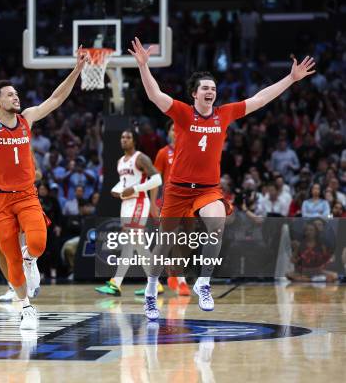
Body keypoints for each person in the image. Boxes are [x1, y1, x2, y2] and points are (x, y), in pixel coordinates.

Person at [129, 36, 315, 319]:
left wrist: (290, 78)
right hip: (178, 190)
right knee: (163, 245)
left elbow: (260, 98)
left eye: (213, 88)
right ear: (194, 93)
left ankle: (203, 282)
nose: (210, 92)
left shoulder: (224, 114)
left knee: (216, 222)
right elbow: (155, 95)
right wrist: (144, 66)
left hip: (207, 189)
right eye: (205, 88)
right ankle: (151, 290)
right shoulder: (181, 112)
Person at [0, 40, 87, 329]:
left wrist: (77, 69)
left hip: (27, 195)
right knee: (10, 257)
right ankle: (25, 306)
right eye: (10, 95)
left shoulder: (27, 118)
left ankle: (32, 261)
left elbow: (55, 99)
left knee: (38, 243)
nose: (16, 97)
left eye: (16, 93)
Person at [95, 129, 162, 297]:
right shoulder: (120, 161)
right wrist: (116, 190)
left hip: (139, 201)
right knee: (137, 245)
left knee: (130, 242)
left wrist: (136, 188)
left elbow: (157, 179)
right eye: (122, 137)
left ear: (135, 140)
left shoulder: (141, 158)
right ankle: (155, 284)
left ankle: (116, 283)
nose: (124, 140)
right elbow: (124, 182)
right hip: (126, 204)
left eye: (128, 137)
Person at [153, 121, 190, 296]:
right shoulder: (162, 153)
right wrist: (154, 202)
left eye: (178, 129)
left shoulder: (190, 151)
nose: (176, 132)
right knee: (169, 240)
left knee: (184, 241)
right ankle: (178, 279)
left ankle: (174, 273)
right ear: (168, 132)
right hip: (170, 201)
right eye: (173, 129)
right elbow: (155, 180)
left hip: (188, 201)